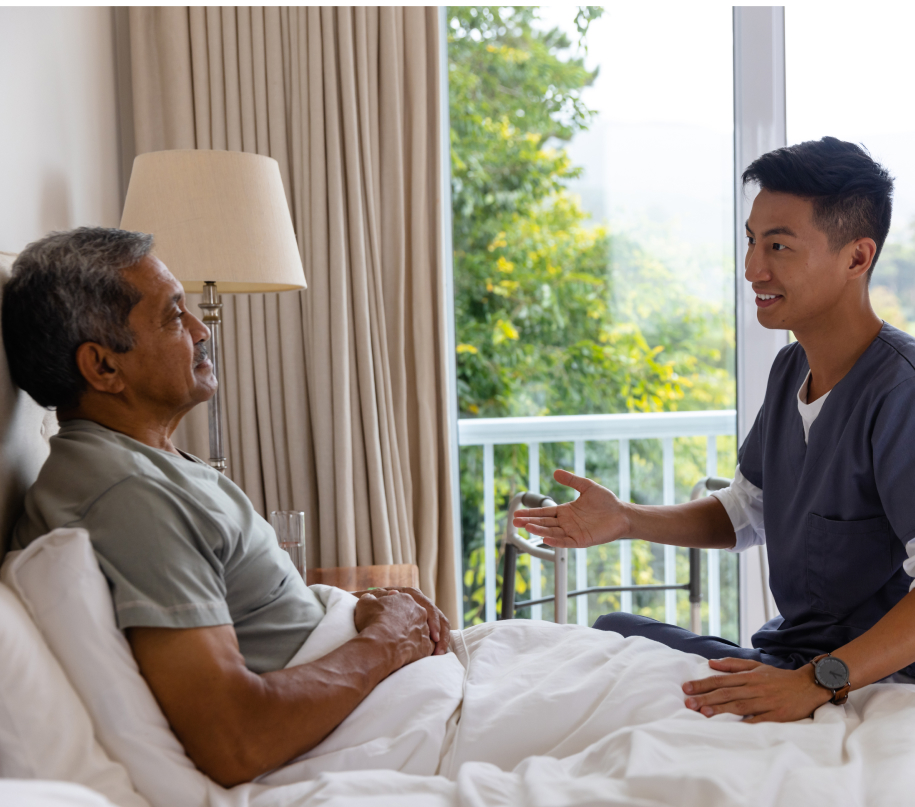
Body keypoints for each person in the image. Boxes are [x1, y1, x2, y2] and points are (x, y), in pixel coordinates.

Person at [2, 227, 451, 787]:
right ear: (103, 368)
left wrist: (370, 615)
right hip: (373, 728)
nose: (201, 330)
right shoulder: (131, 499)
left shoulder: (143, 464)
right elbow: (234, 738)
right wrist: (385, 645)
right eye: (173, 317)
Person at [514, 136, 915, 724]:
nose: (754, 268)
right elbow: (747, 512)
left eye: (778, 246)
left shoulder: (901, 392)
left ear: (856, 258)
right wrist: (626, 519)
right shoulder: (791, 370)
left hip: (863, 679)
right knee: (614, 630)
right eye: (752, 241)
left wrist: (819, 681)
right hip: (787, 657)